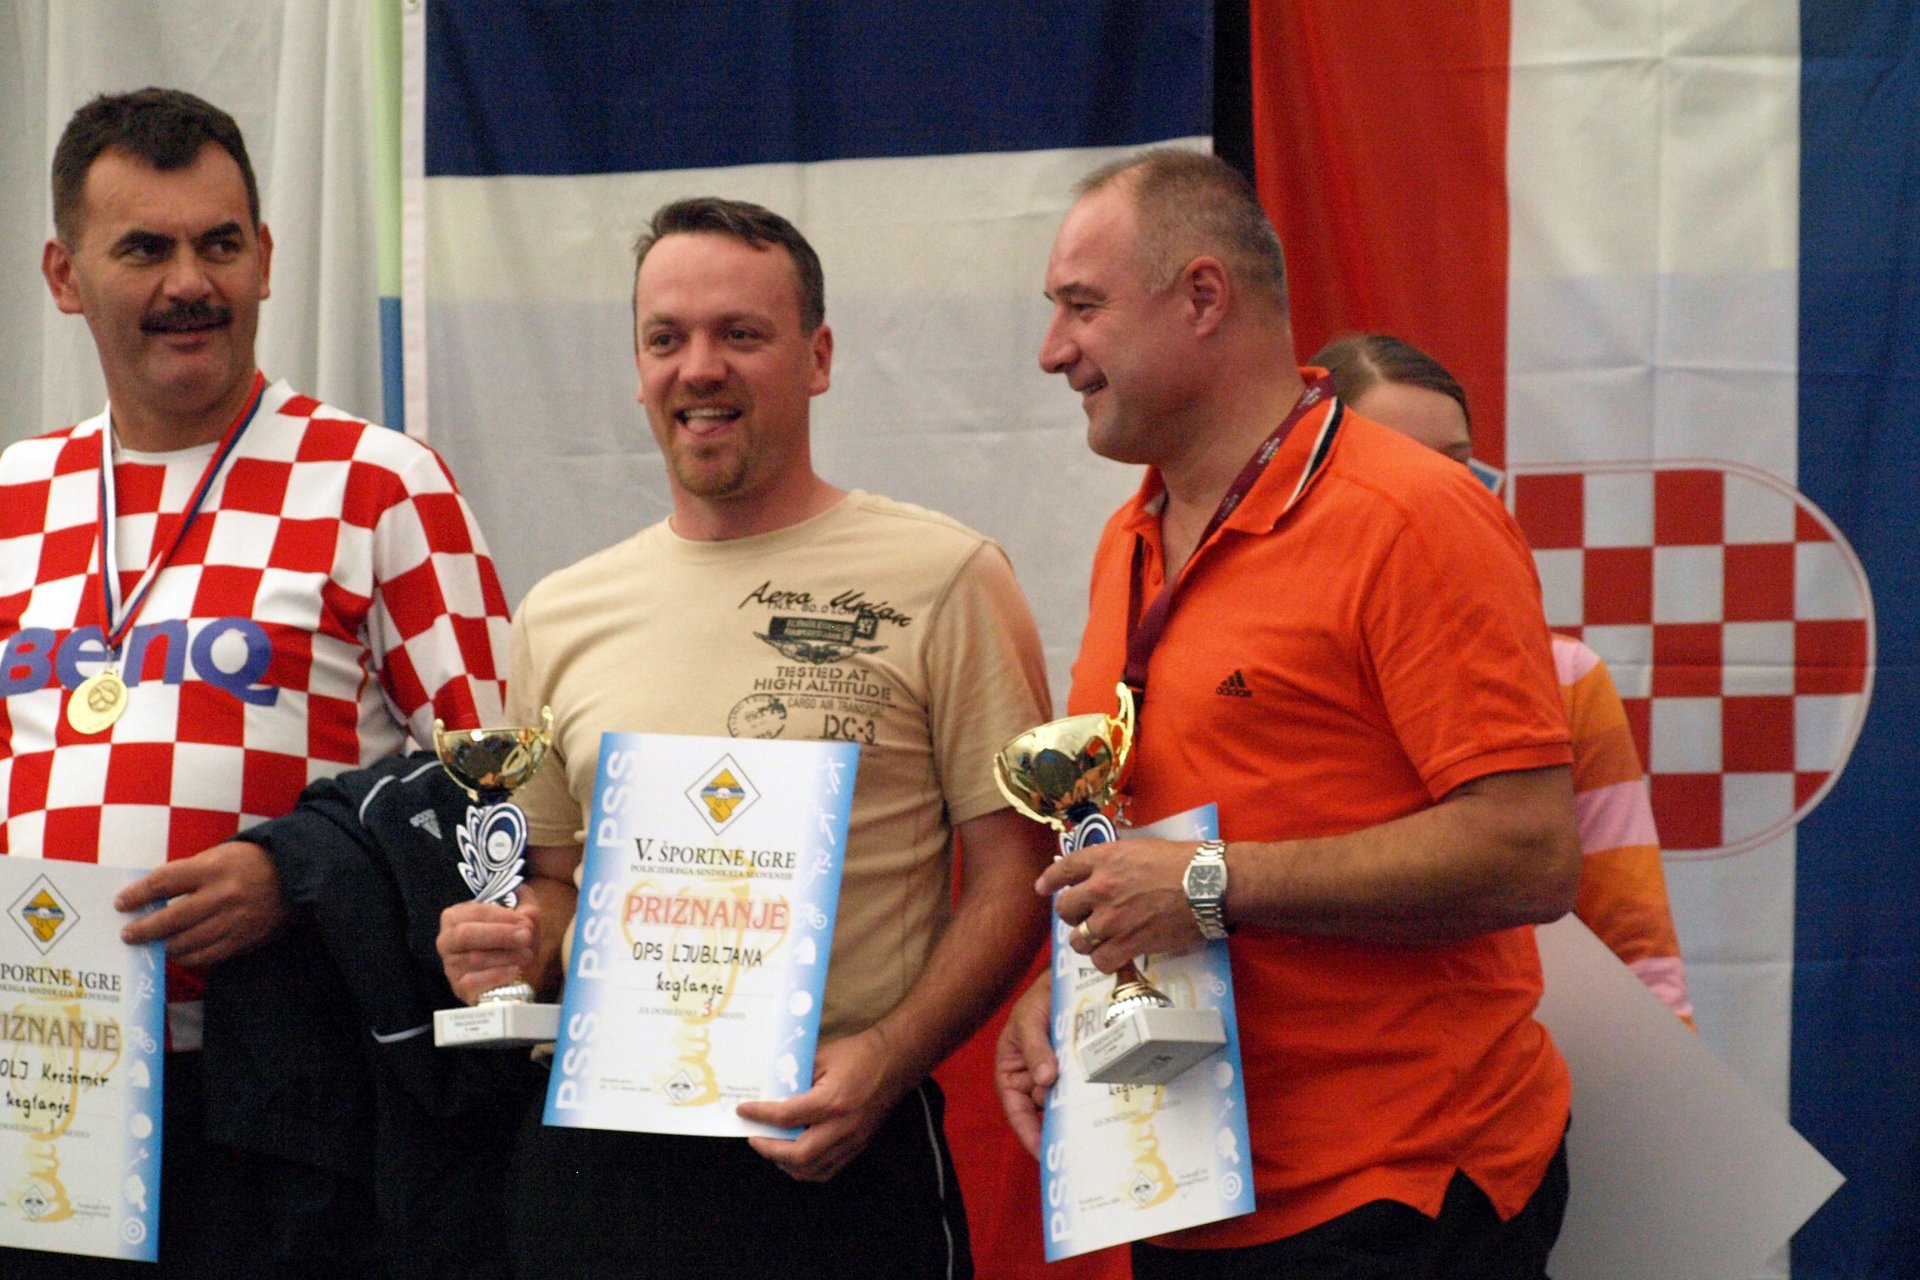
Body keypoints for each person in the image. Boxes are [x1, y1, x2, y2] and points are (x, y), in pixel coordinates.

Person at [435, 196, 1056, 1279]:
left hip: (830, 1149)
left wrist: (886, 1059)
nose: (700, 368)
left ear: (817, 358)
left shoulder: (946, 577)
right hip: (596, 1166)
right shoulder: (560, 612)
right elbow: (553, 882)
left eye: (741, 333)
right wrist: (512, 945)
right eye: (666, 338)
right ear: (638, 369)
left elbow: (1017, 875)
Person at [995, 148, 1582, 1279]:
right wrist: (1064, 985)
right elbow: (1156, 830)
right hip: (1190, 1181)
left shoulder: (1409, 515)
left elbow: (1529, 852)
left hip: (1393, 1187)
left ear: (1202, 296)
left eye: (1082, 306)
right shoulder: (1134, 534)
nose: (1053, 350)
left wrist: (1210, 882)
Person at [1, 88, 509, 1277]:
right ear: (65, 277)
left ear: (267, 259)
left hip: (285, 1097)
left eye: (220, 243)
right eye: (145, 248)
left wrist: (298, 871)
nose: (191, 282)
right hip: (50, 1086)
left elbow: (499, 792)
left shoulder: (377, 483)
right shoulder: (15, 495)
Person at [1312, 332, 1694, 1024]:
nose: (1439, 498)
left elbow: (1634, 945)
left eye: (1459, 468)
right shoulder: (1256, 672)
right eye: (1396, 467)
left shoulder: (1564, 676)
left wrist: (1672, 1074)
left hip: (1514, 1066)